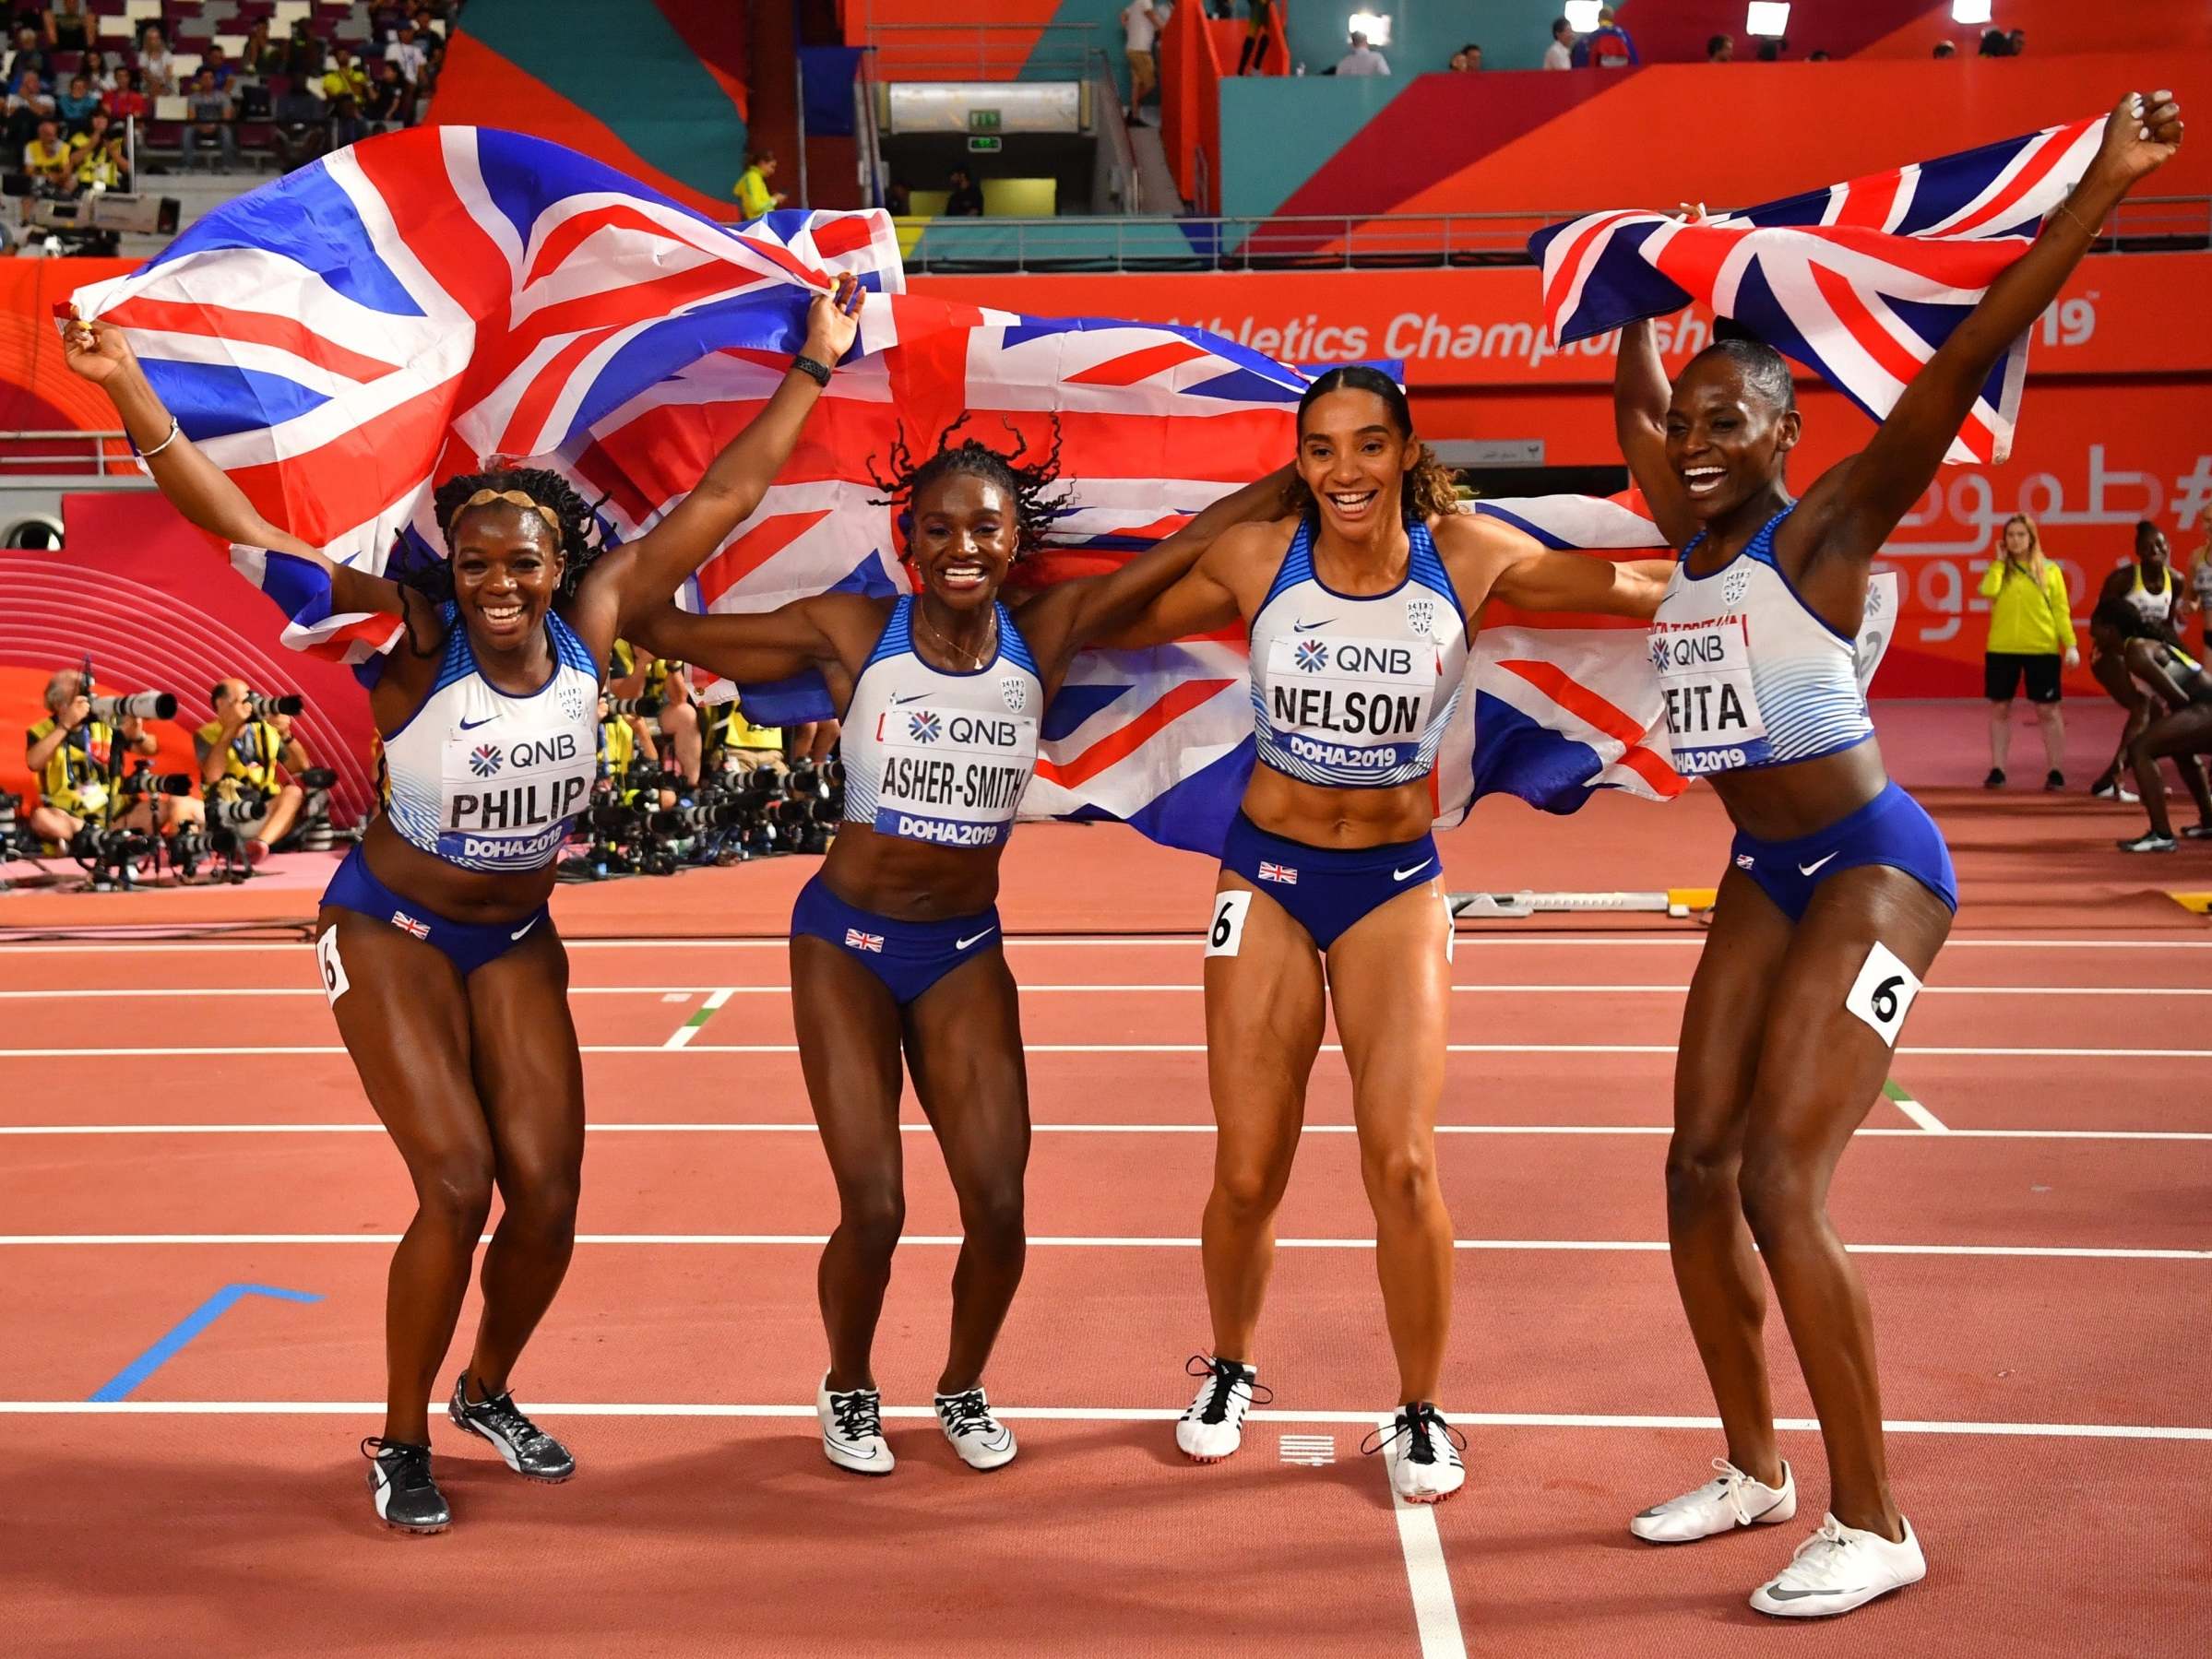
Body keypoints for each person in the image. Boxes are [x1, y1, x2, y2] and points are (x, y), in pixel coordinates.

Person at [61, 277, 862, 1533]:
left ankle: (488, 1385)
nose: (498, 580)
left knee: (546, 1192)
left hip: (514, 938)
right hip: (387, 925)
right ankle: (400, 1433)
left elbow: (719, 499)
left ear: (558, 567)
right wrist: (124, 388)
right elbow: (237, 526)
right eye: (478, 559)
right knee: (456, 1181)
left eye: (521, 561)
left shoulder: (595, 628)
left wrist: (813, 364)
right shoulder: (416, 636)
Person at [1608, 91, 2181, 1618]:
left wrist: (2098, 191)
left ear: (1786, 433)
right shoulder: (1687, 527)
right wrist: (1636, 279)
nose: (1697, 439)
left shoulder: (1826, 528)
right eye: (1690, 422)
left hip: (1876, 864)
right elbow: (1631, 397)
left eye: (1729, 419)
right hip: (1758, 871)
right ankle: (1752, 1465)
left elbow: (1953, 358)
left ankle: (1873, 1515)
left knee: (1781, 1179)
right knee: (1689, 1169)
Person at [631, 427, 1294, 1478]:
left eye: (984, 526)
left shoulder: (1050, 629)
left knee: (997, 1206)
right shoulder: (852, 632)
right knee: (878, 1204)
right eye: (937, 527)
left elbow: (1195, 543)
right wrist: (704, 510)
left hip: (961, 948)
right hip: (844, 944)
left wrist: (1300, 472)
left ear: (1015, 538)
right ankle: (848, 1381)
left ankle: (960, 1384)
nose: (960, 546)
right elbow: (655, 621)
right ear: (908, 542)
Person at [1107, 366, 1669, 1501]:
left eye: (1368, 445)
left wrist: (1786, 582)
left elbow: (1641, 590)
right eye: (1320, 449)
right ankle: (1229, 1367)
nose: (1345, 470)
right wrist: (1216, 522)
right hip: (1265, 873)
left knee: (1402, 1164)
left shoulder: (1463, 556)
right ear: (1298, 460)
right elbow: (1108, 620)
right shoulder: (1258, 559)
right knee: (1248, 1166)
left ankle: (1419, 1408)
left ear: (1407, 450)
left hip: (1394, 882)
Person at [23, 667, 202, 851]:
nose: (89, 699)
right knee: (41, 819)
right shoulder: (42, 731)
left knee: (166, 808)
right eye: (81, 696)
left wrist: (137, 735)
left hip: (116, 814)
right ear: (62, 705)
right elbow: (33, 762)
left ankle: (101, 841)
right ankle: (101, 840)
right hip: (72, 816)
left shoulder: (103, 723)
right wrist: (65, 726)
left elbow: (149, 748)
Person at [1979, 513, 2076, 789]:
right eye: (2010, 535)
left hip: (2042, 648)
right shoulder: (1999, 569)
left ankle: (2055, 770)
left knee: (2048, 710)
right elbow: (1988, 591)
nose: (2015, 540)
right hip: (2002, 647)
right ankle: (1998, 768)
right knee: (2000, 707)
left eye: (2021, 535)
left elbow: (2061, 610)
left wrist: (2070, 644)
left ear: (2031, 538)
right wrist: (1998, 563)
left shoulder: (2050, 570)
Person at [2089, 520, 2186, 798]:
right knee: (2142, 706)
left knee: (2155, 715)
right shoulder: (2123, 580)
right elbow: (2098, 622)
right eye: (2149, 546)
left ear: (2168, 548)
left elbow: (2166, 627)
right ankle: (2116, 777)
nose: (2156, 549)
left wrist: (2182, 656)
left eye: (2161, 544)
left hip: (2146, 656)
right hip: (2112, 654)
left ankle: (2114, 779)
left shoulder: (2175, 581)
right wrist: (2109, 647)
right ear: (2138, 551)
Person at [2111, 632, 2212, 851]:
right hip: (2203, 708)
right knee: (2179, 748)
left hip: (2206, 708)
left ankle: (2161, 835)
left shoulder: (2136, 651)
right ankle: (2209, 821)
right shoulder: (2155, 647)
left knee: (2141, 750)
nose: (2092, 634)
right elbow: (2157, 711)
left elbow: (2179, 699)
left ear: (2111, 629)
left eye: (2096, 628)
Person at [195, 680, 312, 861]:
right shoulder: (207, 733)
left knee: (294, 792)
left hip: (263, 812)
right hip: (226, 815)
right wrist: (231, 728)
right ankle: (251, 845)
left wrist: (286, 734)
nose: (251, 703)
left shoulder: (265, 731)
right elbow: (213, 776)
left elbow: (301, 768)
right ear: (221, 703)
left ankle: (258, 846)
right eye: (244, 699)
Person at [182, 68, 235, 173]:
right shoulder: (193, 98)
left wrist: (213, 126)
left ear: (214, 80)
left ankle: (227, 166)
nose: (208, 81)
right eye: (204, 78)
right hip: (198, 127)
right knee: (187, 131)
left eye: (210, 78)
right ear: (199, 81)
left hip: (218, 126)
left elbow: (226, 118)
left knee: (226, 131)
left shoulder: (223, 97)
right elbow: (191, 118)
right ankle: (187, 166)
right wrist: (201, 127)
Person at [1122, 1, 1161, 122]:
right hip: (1141, 51)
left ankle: (1134, 116)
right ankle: (1132, 107)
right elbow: (1151, 15)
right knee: (1151, 84)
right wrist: (1164, 28)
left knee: (1137, 84)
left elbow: (1123, 14)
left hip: (1131, 49)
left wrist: (1128, 27)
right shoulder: (1146, 2)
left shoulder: (1136, 3)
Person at [69, 108, 125, 193]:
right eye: (96, 117)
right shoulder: (78, 138)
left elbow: (127, 168)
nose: (100, 121)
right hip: (83, 184)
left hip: (110, 186)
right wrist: (91, 144)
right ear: (90, 120)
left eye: (103, 118)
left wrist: (112, 152)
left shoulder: (117, 141)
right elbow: (72, 161)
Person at [2183, 504, 2212, 657]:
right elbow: (2189, 597)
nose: (2211, 525)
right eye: (2207, 520)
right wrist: (2190, 606)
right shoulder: (2196, 557)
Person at [733, 148, 783, 219]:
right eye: (772, 167)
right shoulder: (752, 178)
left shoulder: (756, 178)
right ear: (762, 163)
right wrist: (775, 199)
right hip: (757, 224)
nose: (773, 171)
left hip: (759, 223)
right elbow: (755, 206)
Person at [1237, 0, 1274, 77]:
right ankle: (1244, 70)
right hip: (1261, 4)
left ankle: (1246, 69)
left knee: (1266, 34)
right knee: (1255, 33)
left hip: (1263, 5)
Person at [136, 25, 174, 96]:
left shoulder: (167, 55)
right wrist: (155, 85)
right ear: (147, 40)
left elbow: (169, 74)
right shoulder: (143, 55)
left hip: (164, 85)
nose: (155, 41)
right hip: (148, 86)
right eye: (152, 39)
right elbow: (145, 74)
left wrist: (161, 84)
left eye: (157, 38)